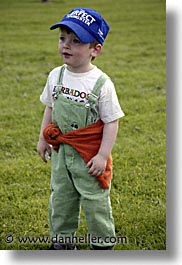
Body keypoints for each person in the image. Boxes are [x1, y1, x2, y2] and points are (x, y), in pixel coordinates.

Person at [37, 7, 124, 250]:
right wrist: (43, 138)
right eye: (63, 38)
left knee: (95, 202)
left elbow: (111, 122)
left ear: (95, 49)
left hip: (90, 156)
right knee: (61, 199)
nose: (66, 45)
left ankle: (102, 245)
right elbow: (50, 108)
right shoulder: (57, 75)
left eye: (76, 41)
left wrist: (102, 155)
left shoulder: (102, 84)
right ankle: (62, 243)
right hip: (62, 153)